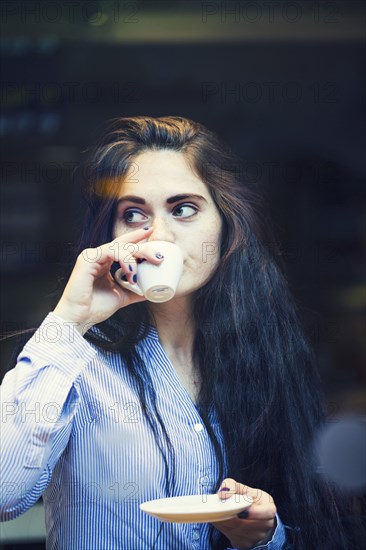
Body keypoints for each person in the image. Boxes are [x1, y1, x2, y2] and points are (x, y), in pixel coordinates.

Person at [0, 116, 362, 549]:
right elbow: (5, 496)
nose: (161, 235)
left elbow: (320, 523)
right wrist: (70, 320)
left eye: (183, 209)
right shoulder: (74, 362)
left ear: (226, 223)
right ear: (110, 235)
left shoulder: (267, 357)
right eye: (133, 214)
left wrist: (266, 536)